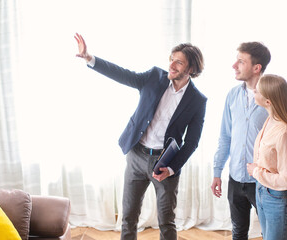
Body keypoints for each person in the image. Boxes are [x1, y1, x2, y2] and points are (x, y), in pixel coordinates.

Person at [74, 33, 207, 240]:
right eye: (171, 59)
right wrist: (90, 58)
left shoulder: (197, 100)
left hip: (164, 163)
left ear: (191, 69)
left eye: (179, 62)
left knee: (166, 221)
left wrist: (171, 169)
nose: (172, 65)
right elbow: (124, 75)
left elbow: (192, 142)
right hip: (136, 155)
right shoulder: (154, 76)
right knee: (128, 217)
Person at [211, 42, 271, 240]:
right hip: (236, 178)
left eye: (240, 62)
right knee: (238, 231)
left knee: (269, 232)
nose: (234, 65)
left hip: (263, 180)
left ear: (256, 68)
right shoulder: (232, 95)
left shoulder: (273, 96)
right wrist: (217, 171)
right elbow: (225, 136)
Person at [247, 74, 287, 240]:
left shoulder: (284, 133)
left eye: (257, 91)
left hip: (277, 198)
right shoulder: (270, 121)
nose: (253, 91)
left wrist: (256, 171)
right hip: (263, 191)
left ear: (268, 101)